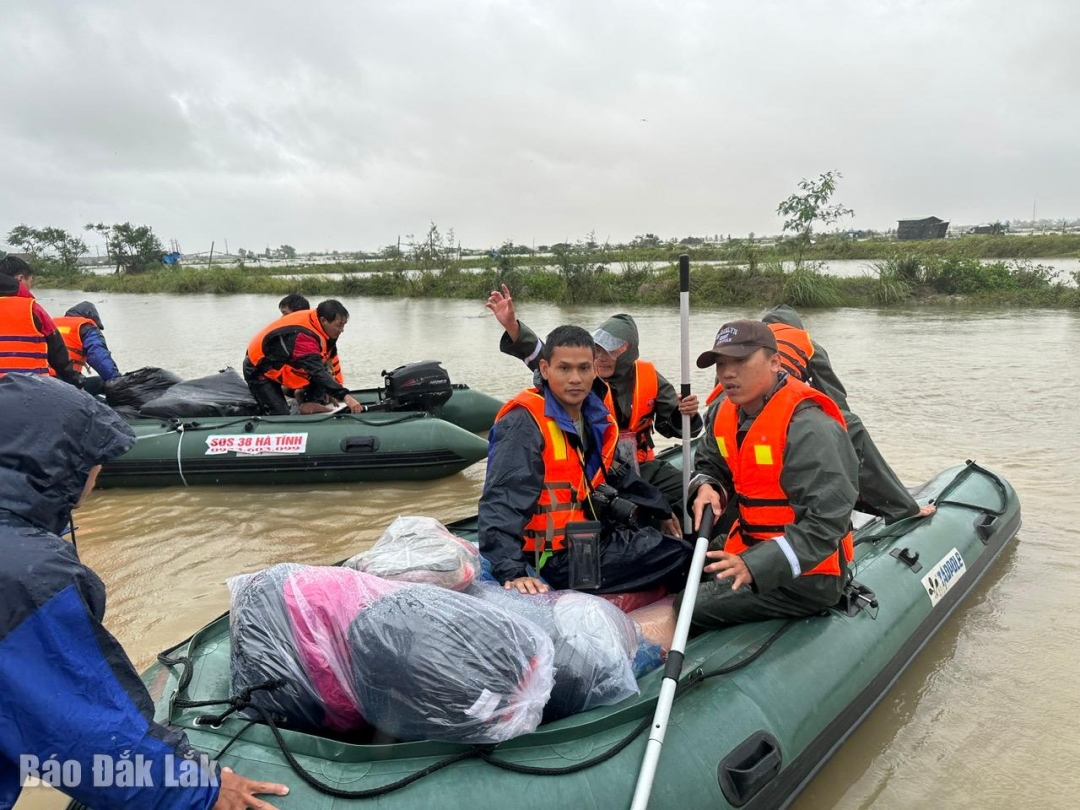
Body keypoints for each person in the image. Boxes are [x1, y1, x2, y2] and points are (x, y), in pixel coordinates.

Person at [0, 373, 289, 809]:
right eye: (95, 458)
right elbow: (84, 737)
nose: (99, 471)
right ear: (59, 464)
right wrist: (200, 788)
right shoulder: (25, 576)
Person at [479, 325, 692, 595]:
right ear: (545, 369)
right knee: (682, 554)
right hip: (552, 558)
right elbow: (501, 500)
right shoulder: (523, 423)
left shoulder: (593, 416)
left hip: (587, 537)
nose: (575, 379)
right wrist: (512, 571)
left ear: (594, 370)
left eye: (583, 368)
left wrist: (661, 509)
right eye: (564, 368)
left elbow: (616, 473)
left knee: (667, 536)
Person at [681, 320, 860, 630]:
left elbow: (826, 523)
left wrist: (753, 566)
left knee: (687, 607)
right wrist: (707, 487)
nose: (727, 373)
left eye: (740, 361)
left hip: (807, 573)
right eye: (721, 364)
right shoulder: (725, 412)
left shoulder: (809, 428)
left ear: (775, 362)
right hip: (749, 541)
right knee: (681, 564)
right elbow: (710, 463)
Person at [486, 284, 701, 522]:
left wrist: (686, 413)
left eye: (611, 351)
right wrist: (513, 328)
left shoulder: (649, 376)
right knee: (625, 510)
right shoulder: (585, 377)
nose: (602, 358)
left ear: (628, 353)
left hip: (642, 464)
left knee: (691, 488)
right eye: (598, 350)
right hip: (602, 468)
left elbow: (675, 428)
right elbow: (543, 356)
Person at [706, 305, 934, 523]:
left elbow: (723, 387)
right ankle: (901, 508)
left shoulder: (734, 349)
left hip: (724, 409)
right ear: (798, 327)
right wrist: (835, 438)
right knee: (852, 426)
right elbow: (834, 398)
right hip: (761, 404)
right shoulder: (808, 344)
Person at [243, 299, 362, 415]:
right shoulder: (304, 338)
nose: (342, 330)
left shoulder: (321, 324)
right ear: (323, 320)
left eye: (343, 325)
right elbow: (316, 371)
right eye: (339, 325)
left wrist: (333, 388)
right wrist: (345, 396)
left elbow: (326, 359)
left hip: (285, 362)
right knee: (279, 414)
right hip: (258, 368)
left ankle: (307, 400)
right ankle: (299, 405)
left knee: (324, 373)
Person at [0, 261, 82, 386]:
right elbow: (58, 353)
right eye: (30, 281)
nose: (30, 286)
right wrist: (77, 381)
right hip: (33, 387)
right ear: (21, 279)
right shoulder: (33, 309)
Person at [52, 301, 121, 395]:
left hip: (38, 379)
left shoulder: (52, 322)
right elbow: (98, 358)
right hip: (64, 383)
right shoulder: (85, 326)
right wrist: (118, 381)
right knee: (104, 383)